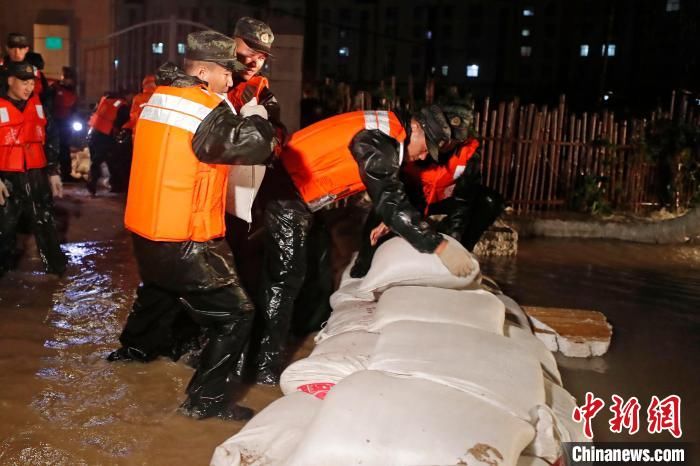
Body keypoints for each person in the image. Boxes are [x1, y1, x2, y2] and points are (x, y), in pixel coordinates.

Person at [106, 30, 276, 421]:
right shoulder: (203, 107)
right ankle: (206, 401)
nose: (231, 82)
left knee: (160, 290)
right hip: (185, 235)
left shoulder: (158, 97)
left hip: (148, 231)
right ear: (202, 70)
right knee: (237, 316)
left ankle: (133, 353)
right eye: (226, 74)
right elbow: (252, 146)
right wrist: (256, 116)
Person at [252, 105, 476, 385]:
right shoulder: (378, 140)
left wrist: (388, 217)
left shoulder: (388, 130)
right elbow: (389, 196)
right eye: (424, 148)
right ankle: (263, 364)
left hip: (299, 194)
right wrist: (438, 245)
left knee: (320, 261)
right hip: (283, 189)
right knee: (285, 279)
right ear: (415, 128)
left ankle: (302, 330)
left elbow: (387, 190)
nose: (421, 157)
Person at [351, 105, 505, 277]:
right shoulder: (410, 145)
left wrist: (451, 247)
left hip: (442, 199)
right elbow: (389, 193)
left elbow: (463, 202)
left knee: (489, 201)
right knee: (385, 207)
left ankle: (461, 253)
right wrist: (396, 221)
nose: (446, 144)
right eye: (445, 138)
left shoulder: (468, 155)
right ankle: (364, 261)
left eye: (454, 140)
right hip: (411, 198)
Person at [0, 61, 66, 276]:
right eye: (23, 82)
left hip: (36, 173)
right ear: (10, 81)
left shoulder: (40, 106)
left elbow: (52, 139)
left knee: (44, 220)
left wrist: (53, 171)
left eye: (31, 82)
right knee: (5, 226)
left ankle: (56, 270)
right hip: (6, 176)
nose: (29, 87)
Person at [86, 90, 129, 195]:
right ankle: (114, 185)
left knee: (97, 160)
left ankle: (93, 182)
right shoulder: (122, 105)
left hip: (94, 132)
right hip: (106, 134)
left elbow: (95, 112)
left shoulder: (104, 100)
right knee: (112, 160)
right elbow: (122, 121)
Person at [1, 33, 50, 105]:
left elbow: (45, 95)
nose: (17, 52)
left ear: (26, 49)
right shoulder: (2, 70)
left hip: (30, 111)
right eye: (12, 47)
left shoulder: (35, 72)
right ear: (7, 48)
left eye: (21, 48)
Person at [50, 67, 78, 182]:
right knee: (54, 148)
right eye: (66, 78)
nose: (68, 81)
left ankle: (66, 173)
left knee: (65, 148)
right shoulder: (54, 89)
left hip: (66, 122)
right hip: (55, 121)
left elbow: (74, 108)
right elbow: (48, 105)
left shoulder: (72, 92)